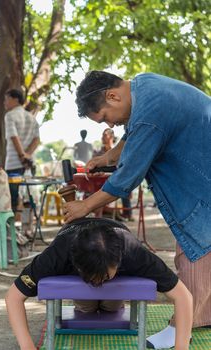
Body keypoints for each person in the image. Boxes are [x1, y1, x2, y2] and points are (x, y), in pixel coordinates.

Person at [63, 71, 211, 347]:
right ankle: (201, 316)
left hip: (202, 180)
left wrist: (85, 206)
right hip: (200, 174)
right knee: (194, 248)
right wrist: (107, 156)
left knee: (197, 249)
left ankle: (181, 327)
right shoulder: (143, 85)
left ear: (112, 95)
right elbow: (132, 135)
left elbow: (127, 177)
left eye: (106, 117)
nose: (110, 123)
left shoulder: (149, 112)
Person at [5, 218, 192, 350]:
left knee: (111, 308)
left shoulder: (134, 252)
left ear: (119, 261)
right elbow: (13, 296)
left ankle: (108, 293)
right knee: (87, 309)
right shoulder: (57, 254)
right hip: (73, 242)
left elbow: (183, 296)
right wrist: (27, 346)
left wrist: (181, 347)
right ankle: (89, 293)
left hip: (116, 260)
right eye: (93, 278)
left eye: (104, 277)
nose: (98, 283)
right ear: (76, 265)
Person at [4, 89, 40, 212]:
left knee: (13, 198)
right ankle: (28, 229)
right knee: (28, 197)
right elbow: (36, 140)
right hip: (29, 164)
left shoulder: (10, 115)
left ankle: (14, 228)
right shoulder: (32, 117)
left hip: (14, 164)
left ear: (15, 99)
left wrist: (22, 155)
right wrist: (27, 155)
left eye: (7, 99)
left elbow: (14, 136)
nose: (5, 102)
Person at [94, 128, 134, 221]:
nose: (102, 138)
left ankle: (127, 213)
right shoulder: (97, 153)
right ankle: (100, 213)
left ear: (111, 136)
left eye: (104, 135)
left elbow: (124, 168)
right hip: (99, 181)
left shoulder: (120, 152)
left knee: (124, 183)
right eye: (102, 135)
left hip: (116, 180)